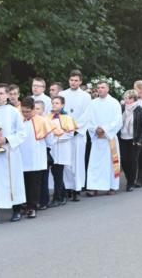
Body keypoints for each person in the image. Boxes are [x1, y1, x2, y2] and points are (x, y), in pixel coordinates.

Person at [0, 83, 27, 226]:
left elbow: (22, 133)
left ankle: (16, 210)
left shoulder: (14, 112)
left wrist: (7, 139)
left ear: (8, 95)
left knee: (13, 181)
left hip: (10, 152)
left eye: (1, 93)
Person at [86, 81, 122, 196]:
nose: (100, 89)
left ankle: (112, 186)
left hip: (109, 139)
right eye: (99, 87)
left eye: (103, 87)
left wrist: (105, 129)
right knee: (95, 164)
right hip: (97, 138)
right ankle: (93, 187)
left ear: (108, 89)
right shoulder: (92, 103)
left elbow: (118, 121)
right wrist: (95, 129)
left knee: (111, 164)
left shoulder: (114, 103)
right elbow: (89, 119)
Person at [19, 97, 54, 218]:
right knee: (24, 183)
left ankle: (32, 207)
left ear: (34, 109)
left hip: (36, 157)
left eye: (28, 111)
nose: (25, 114)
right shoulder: (19, 120)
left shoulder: (42, 121)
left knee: (34, 184)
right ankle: (24, 205)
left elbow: (50, 140)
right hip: (22, 157)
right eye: (23, 111)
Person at [60, 70, 91, 200]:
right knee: (66, 162)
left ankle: (77, 188)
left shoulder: (85, 96)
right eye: (71, 80)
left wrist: (75, 129)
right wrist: (65, 128)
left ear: (80, 82)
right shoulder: (62, 94)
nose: (73, 82)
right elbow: (59, 112)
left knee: (77, 162)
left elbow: (86, 115)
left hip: (78, 134)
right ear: (69, 80)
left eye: (76, 80)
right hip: (65, 133)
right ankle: (67, 187)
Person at [47, 96, 77, 205]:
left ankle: (57, 198)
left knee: (58, 173)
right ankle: (62, 195)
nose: (54, 105)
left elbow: (70, 134)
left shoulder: (67, 118)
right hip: (53, 149)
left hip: (62, 148)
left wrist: (56, 139)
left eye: (57, 103)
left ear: (62, 105)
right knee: (56, 173)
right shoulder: (48, 117)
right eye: (53, 103)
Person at [119, 90, 142, 192]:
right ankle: (129, 178)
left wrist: (140, 140)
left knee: (132, 161)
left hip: (134, 139)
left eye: (130, 98)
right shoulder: (121, 108)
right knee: (124, 161)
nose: (127, 100)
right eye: (126, 98)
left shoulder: (140, 109)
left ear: (134, 99)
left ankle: (130, 183)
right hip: (122, 138)